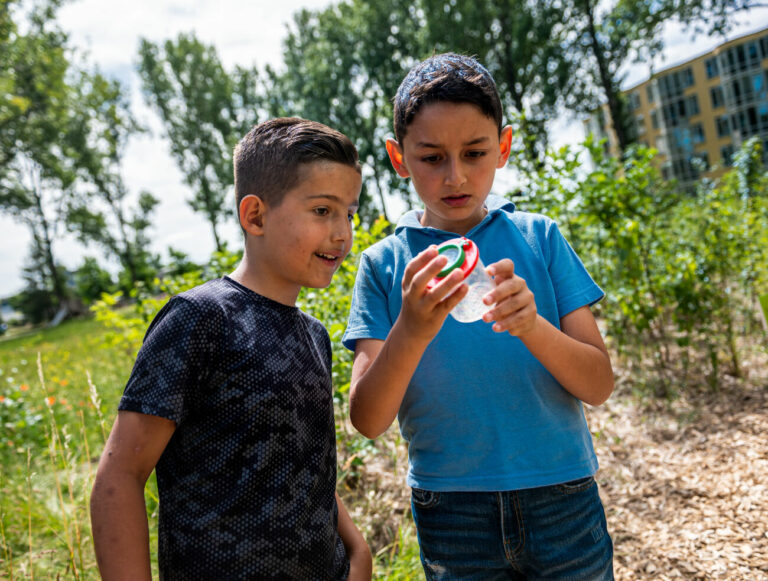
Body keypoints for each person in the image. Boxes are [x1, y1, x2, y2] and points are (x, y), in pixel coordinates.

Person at [343, 53, 615, 580]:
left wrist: (532, 326)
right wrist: (412, 330)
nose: (456, 175)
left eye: (474, 152)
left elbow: (598, 383)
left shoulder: (540, 238)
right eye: (431, 158)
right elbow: (367, 419)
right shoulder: (383, 266)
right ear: (399, 159)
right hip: (452, 512)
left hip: (561, 496)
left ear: (504, 146)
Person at [90, 117, 372, 580]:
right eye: (323, 211)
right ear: (255, 215)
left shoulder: (315, 334)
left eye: (350, 214)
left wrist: (358, 551)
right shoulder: (199, 319)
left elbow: (299, 462)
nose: (343, 234)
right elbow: (118, 480)